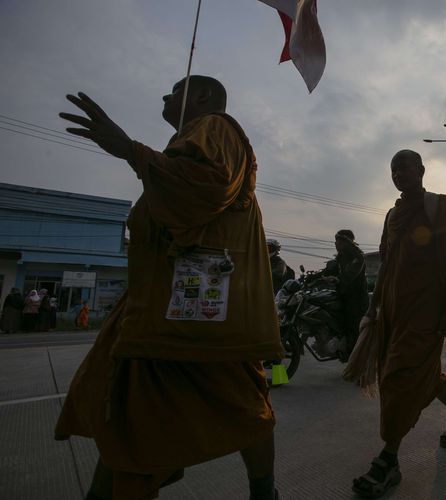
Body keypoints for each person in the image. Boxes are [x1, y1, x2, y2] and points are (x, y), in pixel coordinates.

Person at [54, 75, 284, 500]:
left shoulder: (216, 127)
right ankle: (263, 491)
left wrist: (129, 150)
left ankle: (264, 491)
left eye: (175, 89)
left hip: (190, 323)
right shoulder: (188, 142)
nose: (164, 95)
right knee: (222, 410)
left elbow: (206, 185)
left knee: (157, 422)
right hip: (173, 313)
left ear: (202, 97)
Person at [352, 150, 446, 498]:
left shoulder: (441, 207)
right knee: (423, 373)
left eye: (404, 166)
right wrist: (374, 308)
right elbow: (386, 266)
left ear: (421, 170)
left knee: (399, 377)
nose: (398, 173)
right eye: (393, 168)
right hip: (392, 312)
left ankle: (388, 461)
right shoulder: (392, 214)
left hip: (425, 311)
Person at [331, 229, 369, 360]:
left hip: (356, 300)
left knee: (353, 329)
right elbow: (329, 271)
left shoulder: (357, 257)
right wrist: (314, 277)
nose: (336, 244)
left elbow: (350, 274)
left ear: (347, 242)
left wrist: (339, 279)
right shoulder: (339, 258)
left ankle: (354, 357)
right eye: (336, 241)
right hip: (343, 297)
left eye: (339, 241)